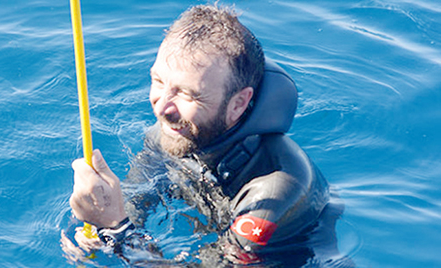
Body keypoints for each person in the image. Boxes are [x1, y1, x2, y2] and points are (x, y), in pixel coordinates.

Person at [64, 4, 349, 266]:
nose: (162, 107)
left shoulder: (272, 193)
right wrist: (98, 228)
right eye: (158, 81)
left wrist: (118, 231)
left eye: (188, 94)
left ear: (238, 103)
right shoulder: (175, 131)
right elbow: (138, 198)